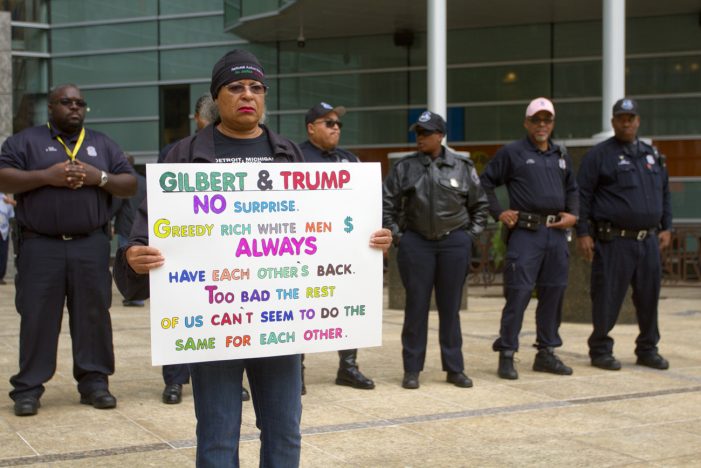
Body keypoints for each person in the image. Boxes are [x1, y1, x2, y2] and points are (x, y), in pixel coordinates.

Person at [113, 48, 391, 467]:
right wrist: (134, 254)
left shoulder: (290, 156)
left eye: (256, 87)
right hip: (212, 325)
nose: (248, 94)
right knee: (217, 438)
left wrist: (367, 243)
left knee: (284, 433)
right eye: (236, 86)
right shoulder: (182, 156)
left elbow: (323, 229)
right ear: (217, 98)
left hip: (280, 323)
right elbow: (145, 231)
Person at [0, 83, 137, 417]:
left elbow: (131, 183)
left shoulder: (101, 143)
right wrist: (47, 176)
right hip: (39, 246)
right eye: (66, 102)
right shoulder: (25, 141)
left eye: (80, 103)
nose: (74, 108)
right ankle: (29, 388)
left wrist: (98, 177)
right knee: (36, 317)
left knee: (94, 316)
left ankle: (94, 383)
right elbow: (4, 178)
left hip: (90, 245)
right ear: (50, 107)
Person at [383, 110, 489, 390]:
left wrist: (468, 237)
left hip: (454, 242)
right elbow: (386, 205)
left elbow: (480, 206)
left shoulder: (462, 167)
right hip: (416, 243)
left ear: (441, 136)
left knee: (450, 308)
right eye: (417, 133)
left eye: (426, 133)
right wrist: (398, 236)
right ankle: (412, 369)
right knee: (415, 307)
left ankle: (455, 368)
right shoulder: (404, 167)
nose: (420, 138)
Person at [480, 97, 578, 380]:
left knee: (554, 293)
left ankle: (546, 352)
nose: (542, 125)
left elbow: (573, 188)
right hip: (526, 233)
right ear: (527, 123)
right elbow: (484, 183)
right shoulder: (513, 153)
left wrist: (574, 215)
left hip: (557, 234)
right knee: (519, 294)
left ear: (552, 124)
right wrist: (498, 212)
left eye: (547, 120)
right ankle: (507, 353)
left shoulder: (561, 154)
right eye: (536, 120)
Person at [576, 98, 672, 371]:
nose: (626, 122)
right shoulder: (599, 155)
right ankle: (601, 350)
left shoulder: (651, 154)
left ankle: (647, 348)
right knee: (607, 295)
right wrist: (583, 232)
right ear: (613, 122)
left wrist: (667, 226)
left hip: (648, 241)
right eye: (621, 118)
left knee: (649, 296)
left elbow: (664, 192)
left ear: (638, 121)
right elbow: (582, 196)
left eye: (631, 118)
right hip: (614, 240)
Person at [298, 101, 375, 392]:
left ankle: (348, 367)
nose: (335, 128)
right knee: (302, 309)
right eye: (328, 123)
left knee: (346, 305)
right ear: (311, 128)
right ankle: (297, 371)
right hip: (307, 248)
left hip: (345, 249)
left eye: (338, 124)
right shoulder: (295, 157)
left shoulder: (350, 160)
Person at [112, 154, 146, 307]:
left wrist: (110, 223)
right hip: (141, 225)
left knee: (127, 261)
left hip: (126, 224)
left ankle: (132, 296)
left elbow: (116, 205)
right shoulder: (145, 181)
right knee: (139, 259)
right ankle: (137, 296)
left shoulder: (123, 183)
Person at [0, 193, 15, 284]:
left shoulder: (8, 201)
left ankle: (0, 276)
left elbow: (11, 216)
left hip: (3, 231)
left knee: (2, 254)